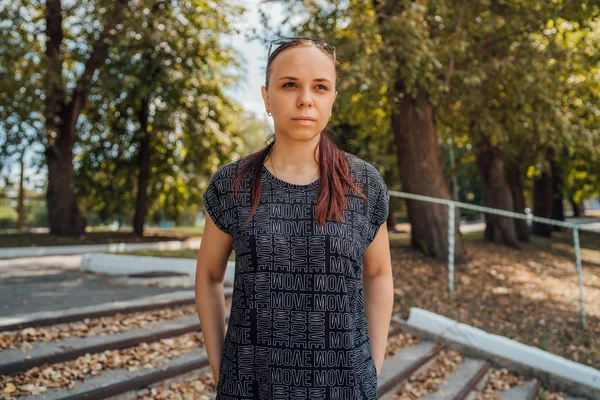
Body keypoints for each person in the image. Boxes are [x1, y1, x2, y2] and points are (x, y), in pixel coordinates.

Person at [195, 37, 394, 400]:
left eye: (320, 87)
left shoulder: (363, 183)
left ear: (333, 97)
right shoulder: (232, 184)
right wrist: (220, 367)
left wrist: (371, 365)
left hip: (344, 388)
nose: (306, 98)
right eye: (290, 85)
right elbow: (209, 276)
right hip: (251, 387)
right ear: (267, 97)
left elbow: (379, 274)